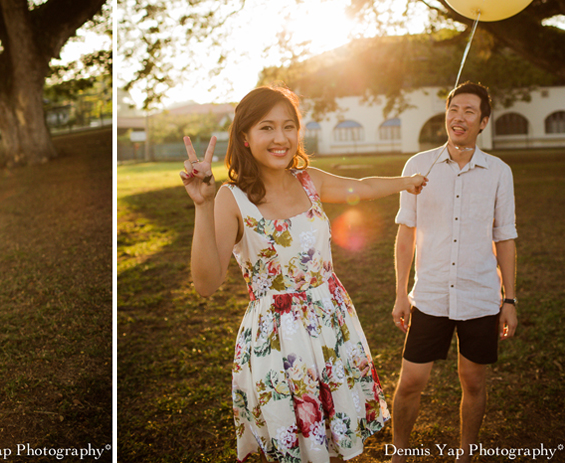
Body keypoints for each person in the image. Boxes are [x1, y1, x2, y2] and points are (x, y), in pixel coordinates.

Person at [181, 86, 427, 463]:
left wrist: (406, 183)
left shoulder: (309, 181)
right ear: (245, 138)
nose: (281, 138)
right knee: (295, 445)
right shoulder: (232, 199)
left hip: (331, 325)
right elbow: (206, 283)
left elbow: (361, 188)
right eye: (267, 128)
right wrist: (203, 205)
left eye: (288, 126)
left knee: (334, 438)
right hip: (279, 342)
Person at [389, 82, 517, 463]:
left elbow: (505, 237)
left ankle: (466, 454)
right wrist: (400, 293)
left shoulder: (499, 172)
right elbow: (404, 234)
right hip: (429, 295)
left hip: (480, 295)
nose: (458, 117)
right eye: (453, 109)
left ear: (483, 123)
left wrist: (509, 298)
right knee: (411, 381)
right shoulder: (417, 167)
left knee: (473, 381)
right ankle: (398, 454)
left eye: (469, 112)